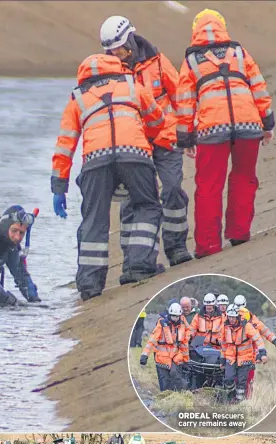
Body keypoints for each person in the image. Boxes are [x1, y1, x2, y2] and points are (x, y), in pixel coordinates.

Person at [51, 53, 165, 300]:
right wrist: (147, 138)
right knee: (147, 207)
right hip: (135, 154)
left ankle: (90, 285)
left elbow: (65, 145)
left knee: (94, 219)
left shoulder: (77, 99)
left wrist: (59, 185)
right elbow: (157, 119)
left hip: (95, 161)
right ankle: (139, 266)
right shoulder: (133, 87)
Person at [175, 9, 275, 258]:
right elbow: (259, 87)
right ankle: (239, 232)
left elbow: (185, 102)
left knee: (209, 185)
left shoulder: (191, 61)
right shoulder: (240, 53)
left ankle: (208, 245)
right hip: (248, 125)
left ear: (195, 32)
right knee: (244, 177)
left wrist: (185, 138)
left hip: (212, 128)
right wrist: (267, 123)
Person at [100, 16, 192, 268]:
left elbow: (179, 97)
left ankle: (176, 246)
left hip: (166, 137)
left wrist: (186, 133)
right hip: (134, 145)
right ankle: (134, 257)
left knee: (173, 189)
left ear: (130, 39)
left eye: (120, 48)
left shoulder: (158, 62)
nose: (117, 54)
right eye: (111, 50)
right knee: (133, 201)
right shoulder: (110, 72)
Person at [222, 303, 267, 401]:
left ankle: (239, 403)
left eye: (233, 317)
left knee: (242, 383)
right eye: (229, 317)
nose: (231, 319)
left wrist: (262, 352)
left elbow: (258, 339)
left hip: (245, 359)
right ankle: (231, 395)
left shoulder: (247, 326)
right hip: (231, 358)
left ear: (238, 316)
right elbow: (224, 344)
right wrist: (222, 358)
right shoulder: (225, 327)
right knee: (228, 379)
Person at [140, 302, 190, 391]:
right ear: (170, 315)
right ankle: (167, 396)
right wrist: (145, 355)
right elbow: (152, 340)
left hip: (175, 357)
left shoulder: (182, 326)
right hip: (162, 358)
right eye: (173, 316)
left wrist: (186, 360)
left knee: (176, 375)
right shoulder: (161, 325)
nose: (175, 318)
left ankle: (182, 392)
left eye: (177, 316)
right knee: (165, 383)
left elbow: (184, 344)